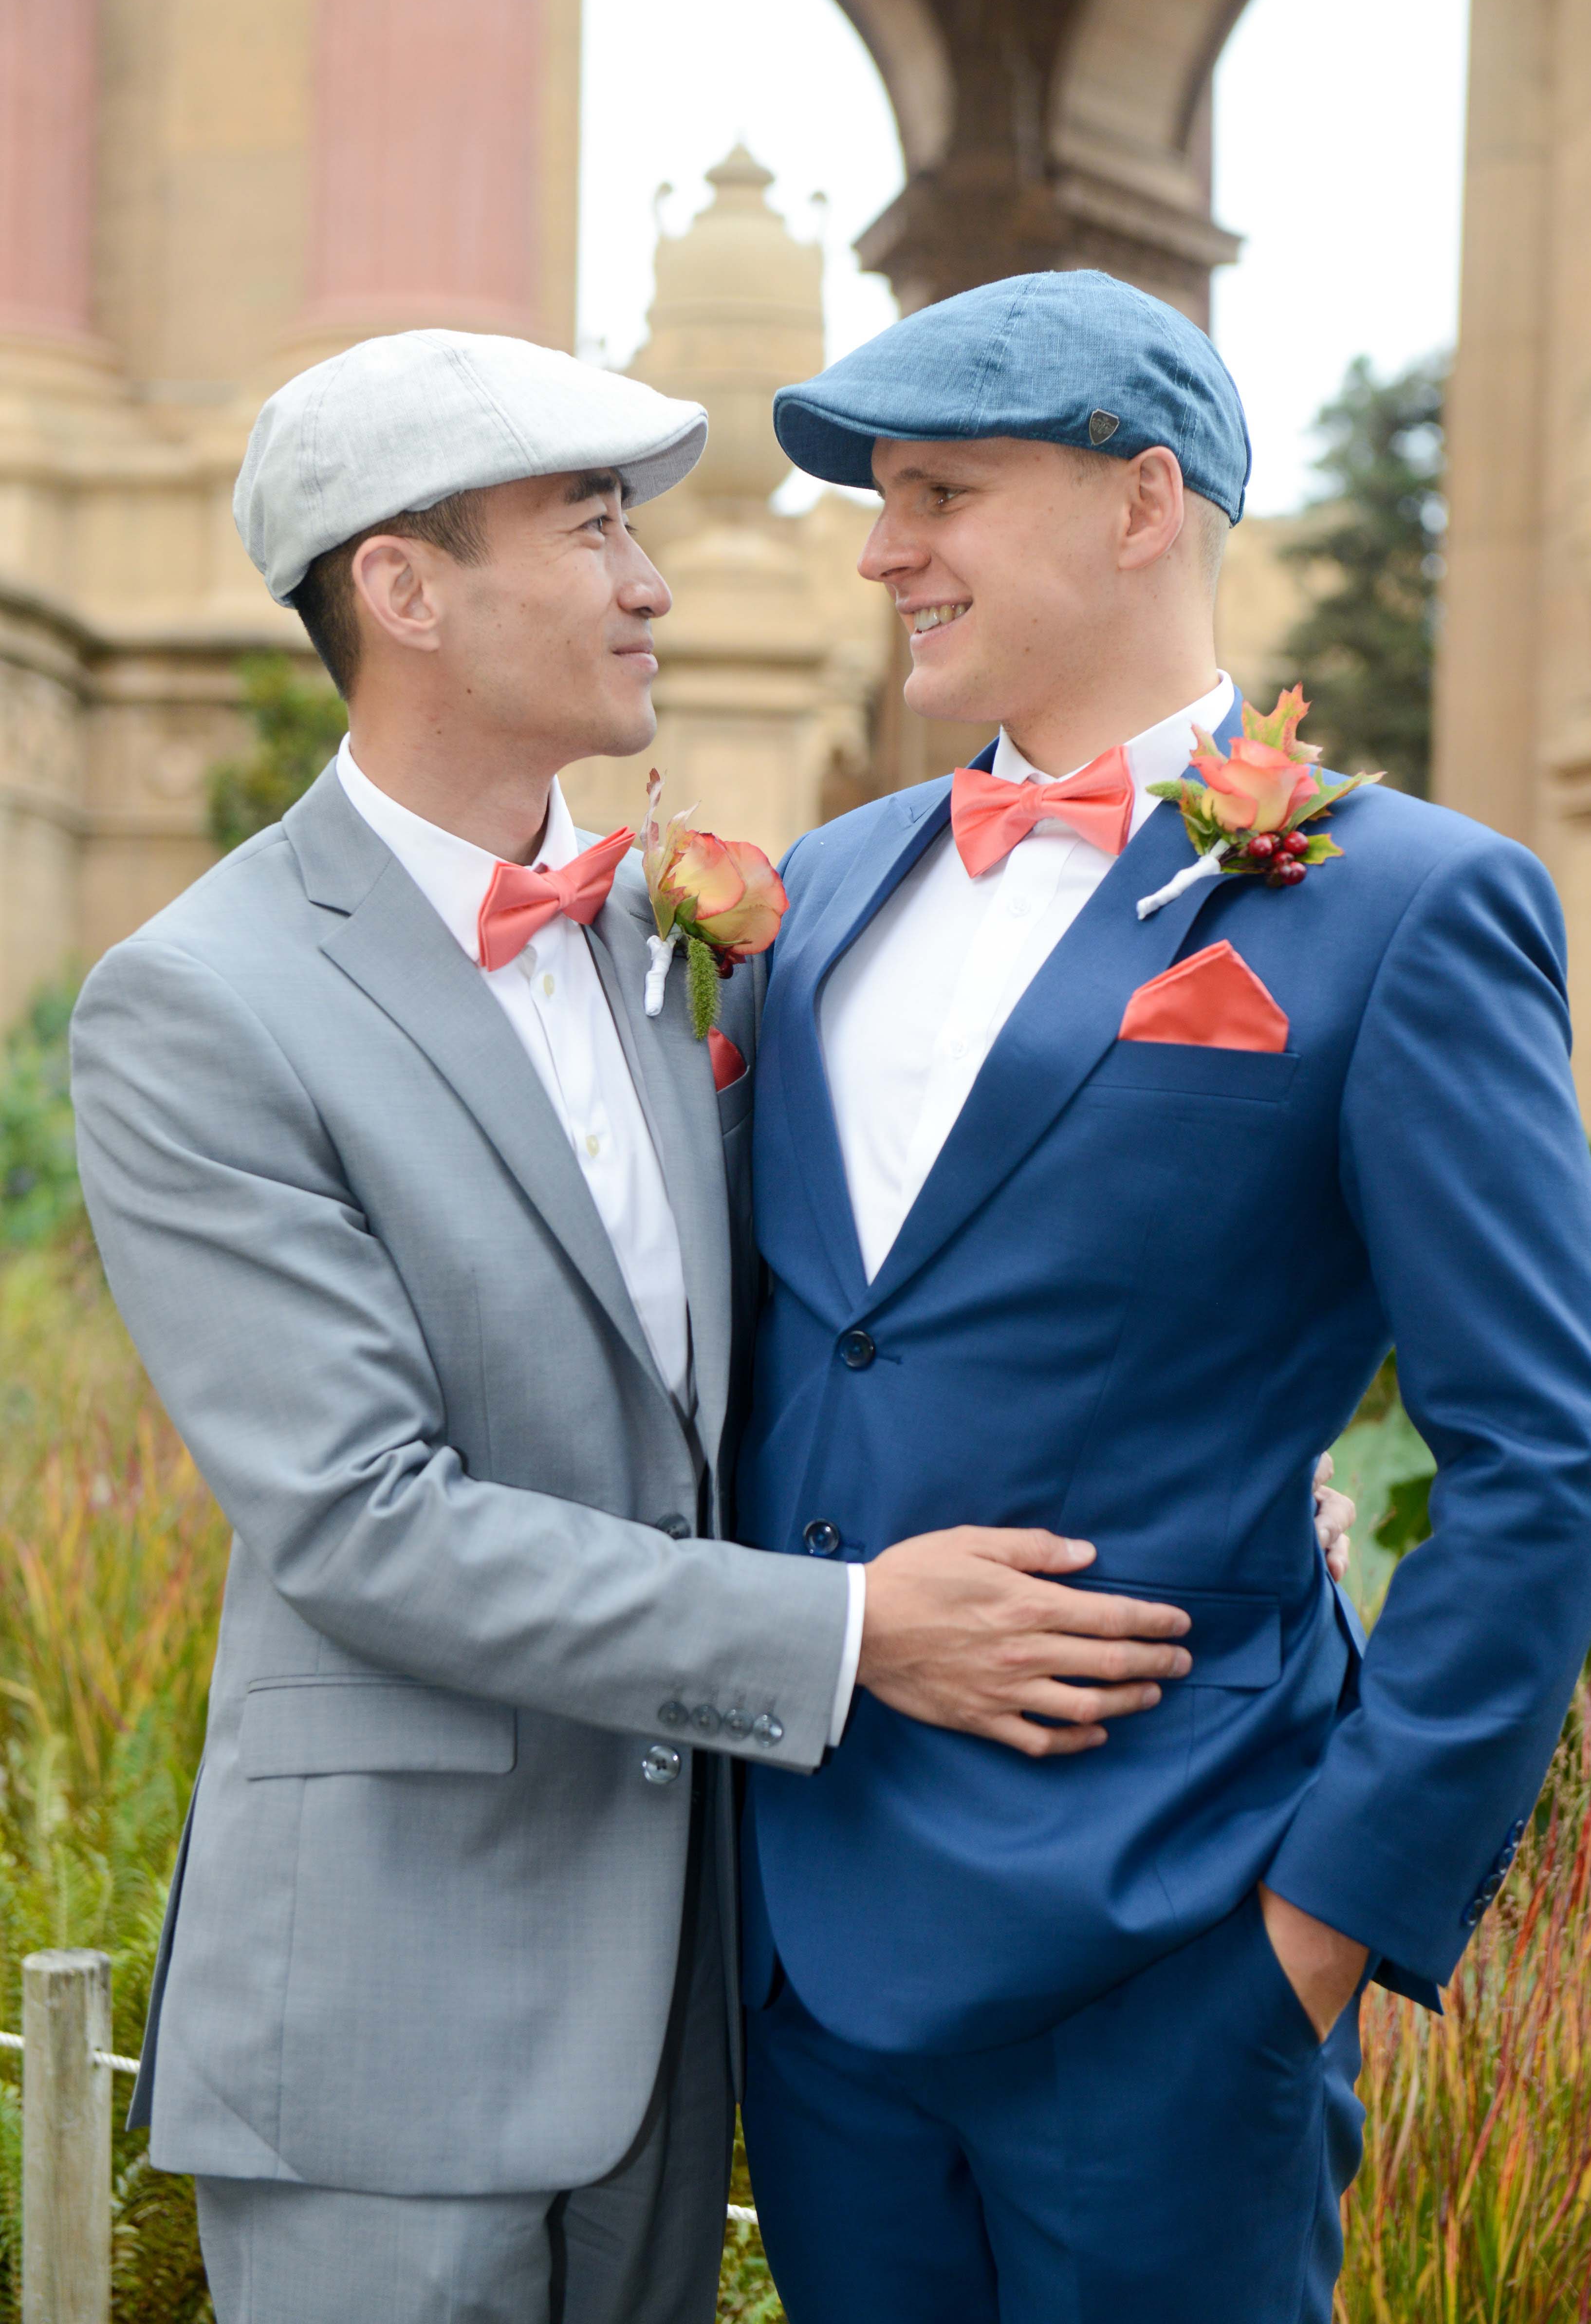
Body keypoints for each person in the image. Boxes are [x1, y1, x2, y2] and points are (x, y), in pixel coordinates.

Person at [68, 329, 1202, 2324]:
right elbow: (362, 1521)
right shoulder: (202, 1003)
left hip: (683, 2013)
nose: (653, 580)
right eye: (592, 526)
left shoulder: (666, 939)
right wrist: (849, 1637)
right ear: (402, 591)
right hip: (382, 2033)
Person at [735, 270, 1591, 2324]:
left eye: (938, 488)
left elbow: (1535, 1458)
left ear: (1141, 505)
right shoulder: (822, 889)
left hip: (1175, 1952)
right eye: (877, 494)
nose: (879, 547)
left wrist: (1317, 1929)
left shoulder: (1403, 906)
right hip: (806, 1944)